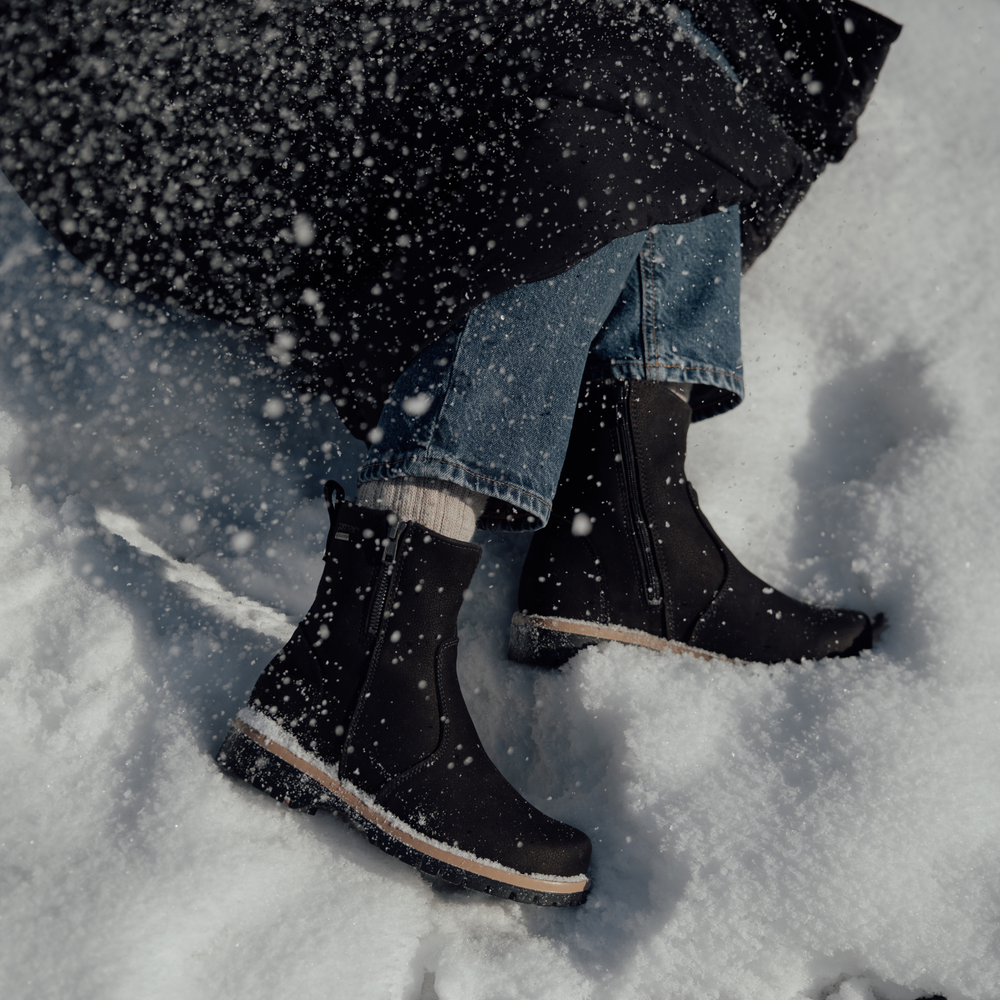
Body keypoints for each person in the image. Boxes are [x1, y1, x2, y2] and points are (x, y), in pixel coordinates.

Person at [0, 0, 900, 904]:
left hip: (325, 80)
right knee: (593, 67)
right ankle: (365, 662)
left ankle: (624, 522)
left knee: (696, 39)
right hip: (144, 88)